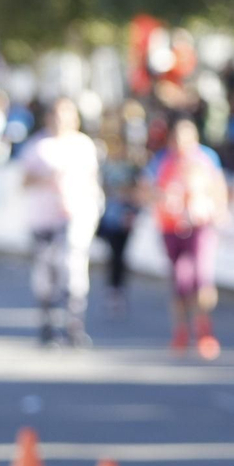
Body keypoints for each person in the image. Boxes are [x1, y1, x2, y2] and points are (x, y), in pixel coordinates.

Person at [19, 97, 102, 347]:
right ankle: (47, 324)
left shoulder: (84, 145)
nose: (62, 119)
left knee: (74, 269)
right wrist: (47, 179)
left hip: (75, 217)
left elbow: (92, 180)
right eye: (57, 113)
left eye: (67, 113)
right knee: (47, 273)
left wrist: (93, 208)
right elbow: (23, 181)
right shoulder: (38, 146)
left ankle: (74, 326)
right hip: (44, 220)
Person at [149, 117, 228, 359]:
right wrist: (164, 197)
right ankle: (181, 332)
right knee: (180, 281)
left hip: (200, 225)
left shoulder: (206, 158)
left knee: (201, 279)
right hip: (171, 227)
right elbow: (147, 188)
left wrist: (219, 209)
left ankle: (204, 329)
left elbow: (218, 186)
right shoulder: (162, 160)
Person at [96, 116, 145, 317]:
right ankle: (113, 289)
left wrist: (128, 199)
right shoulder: (106, 166)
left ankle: (118, 290)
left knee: (120, 255)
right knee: (113, 253)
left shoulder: (133, 166)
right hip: (109, 216)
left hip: (125, 217)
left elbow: (138, 191)